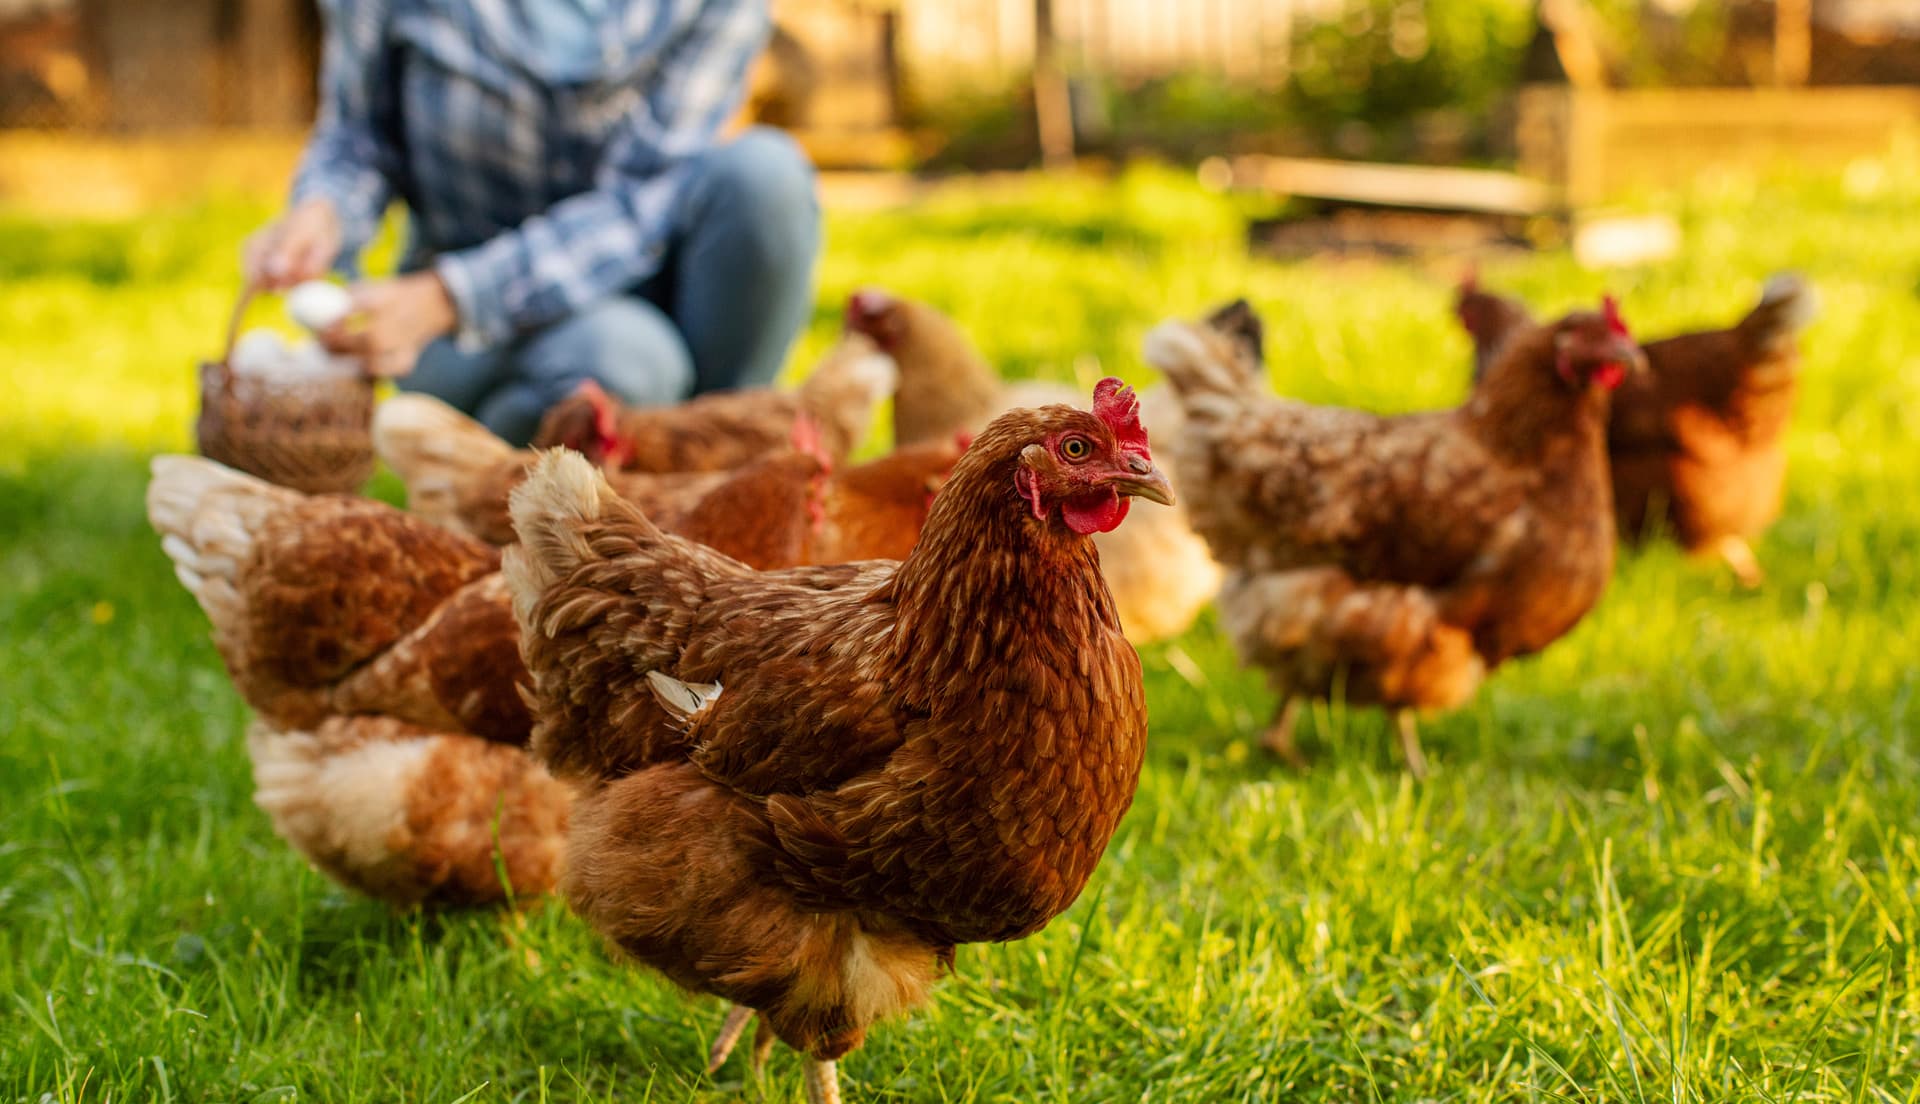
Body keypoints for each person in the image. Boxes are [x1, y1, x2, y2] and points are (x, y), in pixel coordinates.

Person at [243, 0, 820, 445]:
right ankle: (496, 479)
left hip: (649, 275)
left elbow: (643, 191)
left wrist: (456, 295)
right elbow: (358, 134)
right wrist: (324, 212)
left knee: (767, 176)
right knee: (626, 361)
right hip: (463, 324)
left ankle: (721, 468)